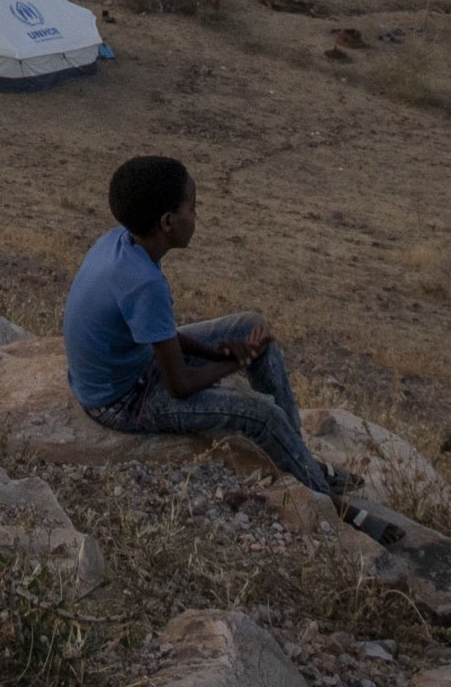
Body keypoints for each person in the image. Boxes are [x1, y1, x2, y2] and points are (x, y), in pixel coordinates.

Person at [62, 155, 336, 499]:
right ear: (167, 222)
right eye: (192, 208)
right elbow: (179, 385)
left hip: (131, 366)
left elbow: (156, 333)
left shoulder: (121, 242)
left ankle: (298, 454)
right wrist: (238, 361)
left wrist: (214, 351)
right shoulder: (144, 283)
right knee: (262, 415)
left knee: (249, 325)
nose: (196, 216)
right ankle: (328, 500)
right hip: (122, 401)